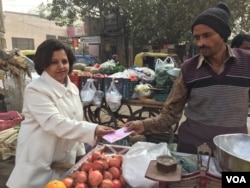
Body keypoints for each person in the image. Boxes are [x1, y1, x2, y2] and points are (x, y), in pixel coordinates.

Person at [126, 2, 250, 154]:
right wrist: (143, 125)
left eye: (207, 35)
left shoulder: (246, 63)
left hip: (234, 154)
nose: (200, 43)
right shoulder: (189, 69)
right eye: (197, 37)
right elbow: (170, 114)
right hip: (192, 152)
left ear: (223, 35)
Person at [6, 39, 114, 188]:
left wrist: (81, 156)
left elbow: (77, 120)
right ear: (44, 64)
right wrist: (93, 129)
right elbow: (55, 122)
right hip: (38, 164)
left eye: (64, 61)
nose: (61, 66)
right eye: (54, 62)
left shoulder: (73, 89)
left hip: (63, 165)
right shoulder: (36, 89)